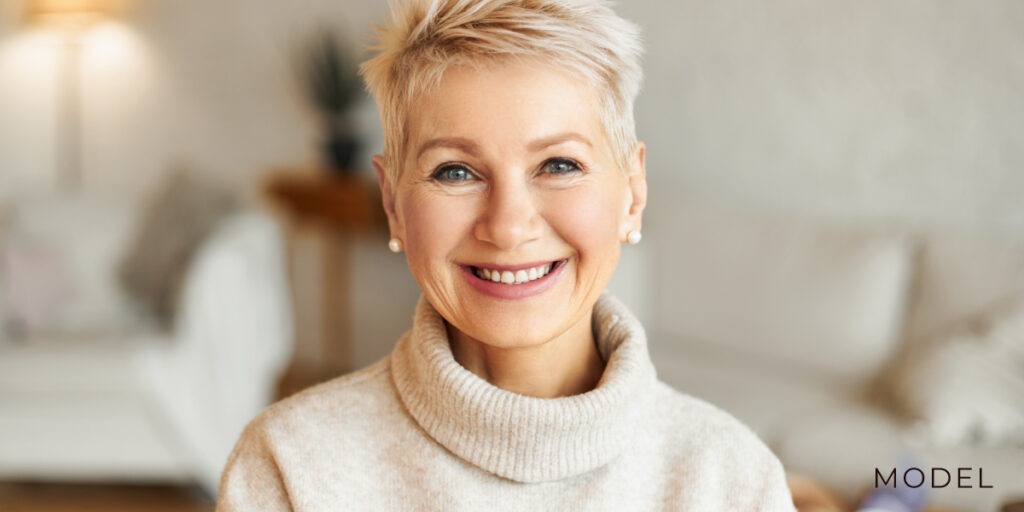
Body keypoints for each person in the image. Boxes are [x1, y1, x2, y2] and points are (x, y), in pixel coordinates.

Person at [218, 0, 796, 509]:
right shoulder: (289, 468)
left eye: (559, 165)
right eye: (456, 171)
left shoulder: (733, 481)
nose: (508, 226)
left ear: (633, 191)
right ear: (393, 204)